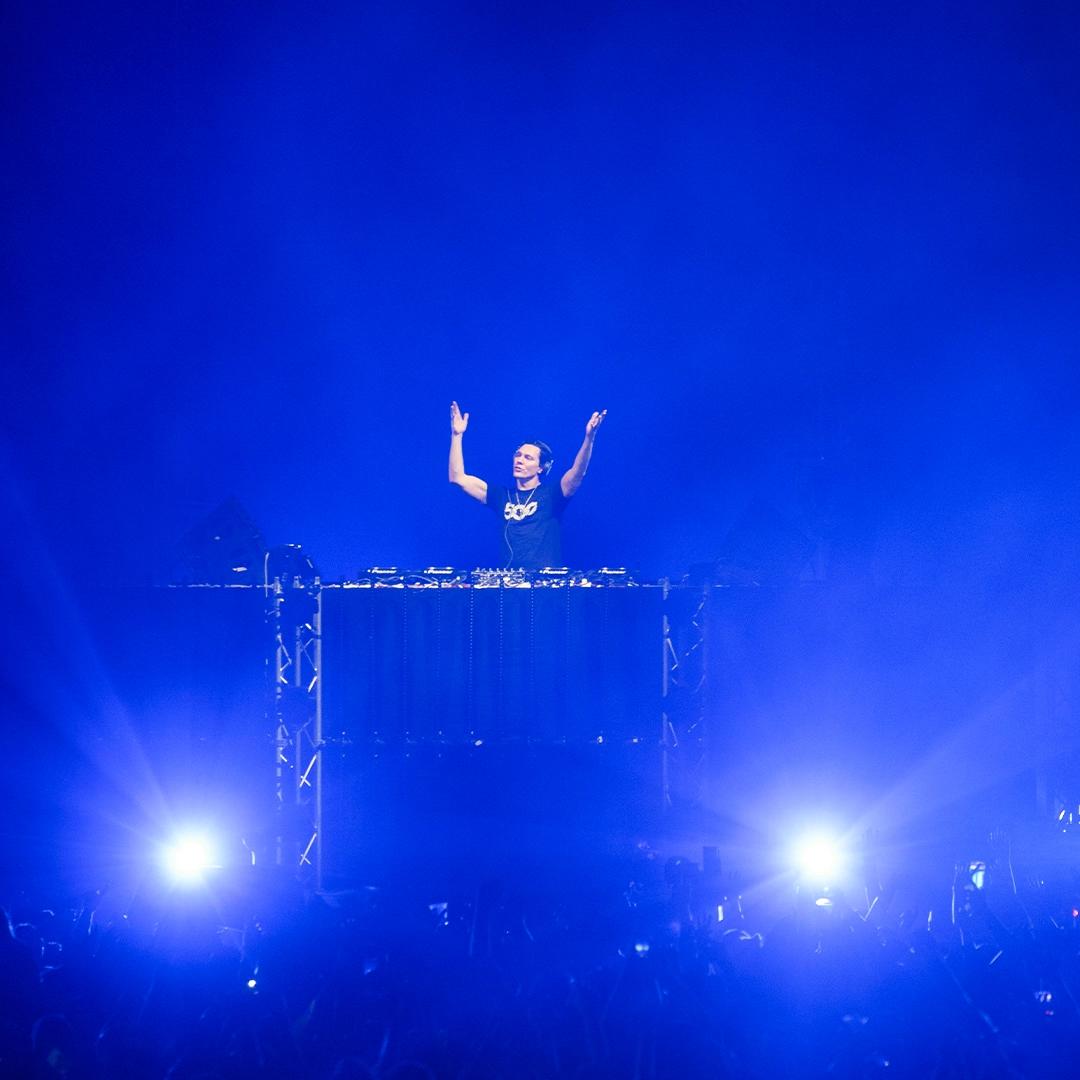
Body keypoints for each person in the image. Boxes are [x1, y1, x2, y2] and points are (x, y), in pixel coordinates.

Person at [448, 401, 606, 570]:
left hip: (544, 585)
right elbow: (457, 478)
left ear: (540, 468)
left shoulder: (552, 494)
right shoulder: (500, 495)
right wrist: (457, 435)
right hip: (510, 584)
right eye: (518, 455)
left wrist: (589, 438)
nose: (520, 460)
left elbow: (577, 473)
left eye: (528, 458)